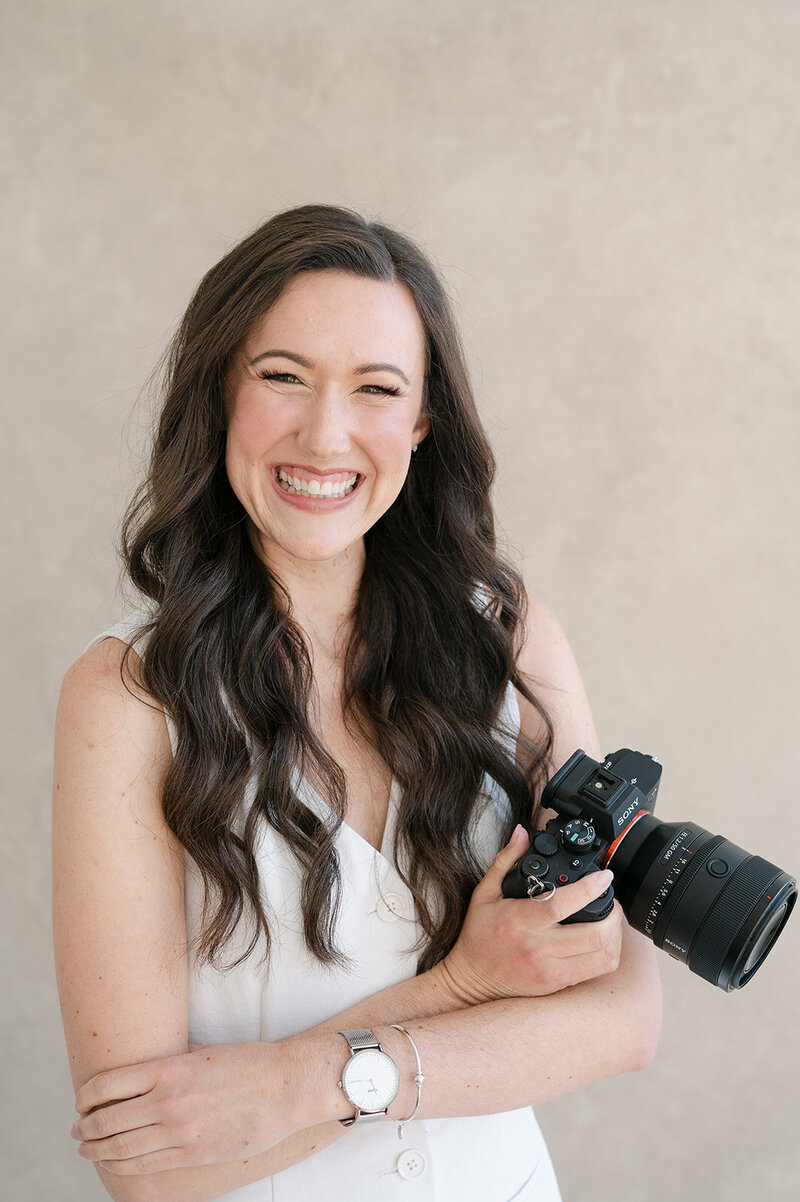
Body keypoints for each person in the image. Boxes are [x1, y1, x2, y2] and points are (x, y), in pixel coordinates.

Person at [52, 203, 662, 1202]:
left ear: (421, 423)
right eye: (281, 375)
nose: (325, 433)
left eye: (376, 389)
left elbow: (621, 1020)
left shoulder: (509, 638)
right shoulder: (127, 697)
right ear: (219, 391)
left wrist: (308, 1078)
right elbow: (146, 1164)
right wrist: (459, 990)